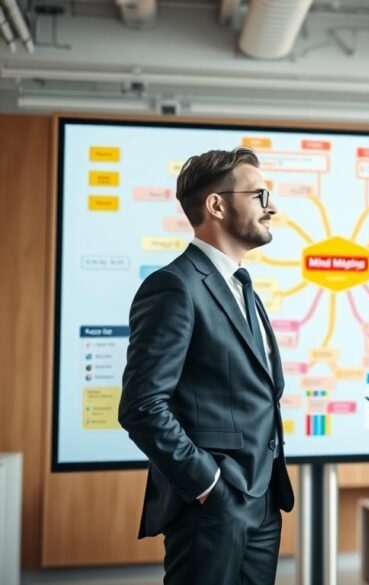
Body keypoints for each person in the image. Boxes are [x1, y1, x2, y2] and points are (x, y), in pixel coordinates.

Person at [119, 147, 294, 585]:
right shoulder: (174, 287)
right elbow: (142, 406)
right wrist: (208, 485)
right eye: (259, 195)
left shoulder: (243, 288)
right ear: (216, 205)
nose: (271, 207)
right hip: (213, 504)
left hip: (262, 499)